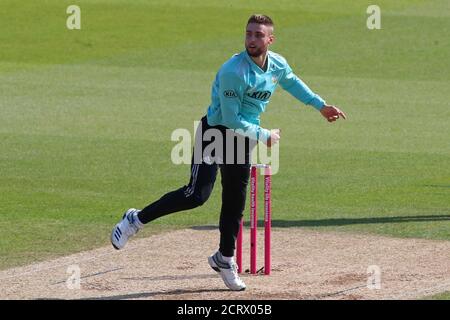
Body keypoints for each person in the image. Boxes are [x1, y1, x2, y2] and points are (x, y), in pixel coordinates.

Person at [111, 14, 346, 291]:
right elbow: (232, 120)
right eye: (248, 34)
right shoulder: (234, 71)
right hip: (216, 131)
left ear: (270, 39)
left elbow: (292, 82)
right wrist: (265, 135)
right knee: (196, 195)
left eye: (258, 35)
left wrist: (320, 106)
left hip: (243, 137)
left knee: (235, 202)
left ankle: (224, 258)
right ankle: (134, 220)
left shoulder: (277, 63)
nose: (252, 39)